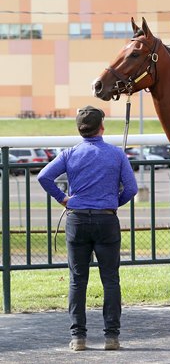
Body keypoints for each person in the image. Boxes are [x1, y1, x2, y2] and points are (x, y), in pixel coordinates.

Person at [38, 105, 138, 351]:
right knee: (111, 279)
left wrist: (63, 198)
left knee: (77, 280)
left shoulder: (70, 153)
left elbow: (44, 177)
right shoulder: (117, 155)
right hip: (106, 220)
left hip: (77, 220)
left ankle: (78, 338)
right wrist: (113, 202)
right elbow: (132, 189)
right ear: (101, 127)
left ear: (80, 129)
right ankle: (111, 337)